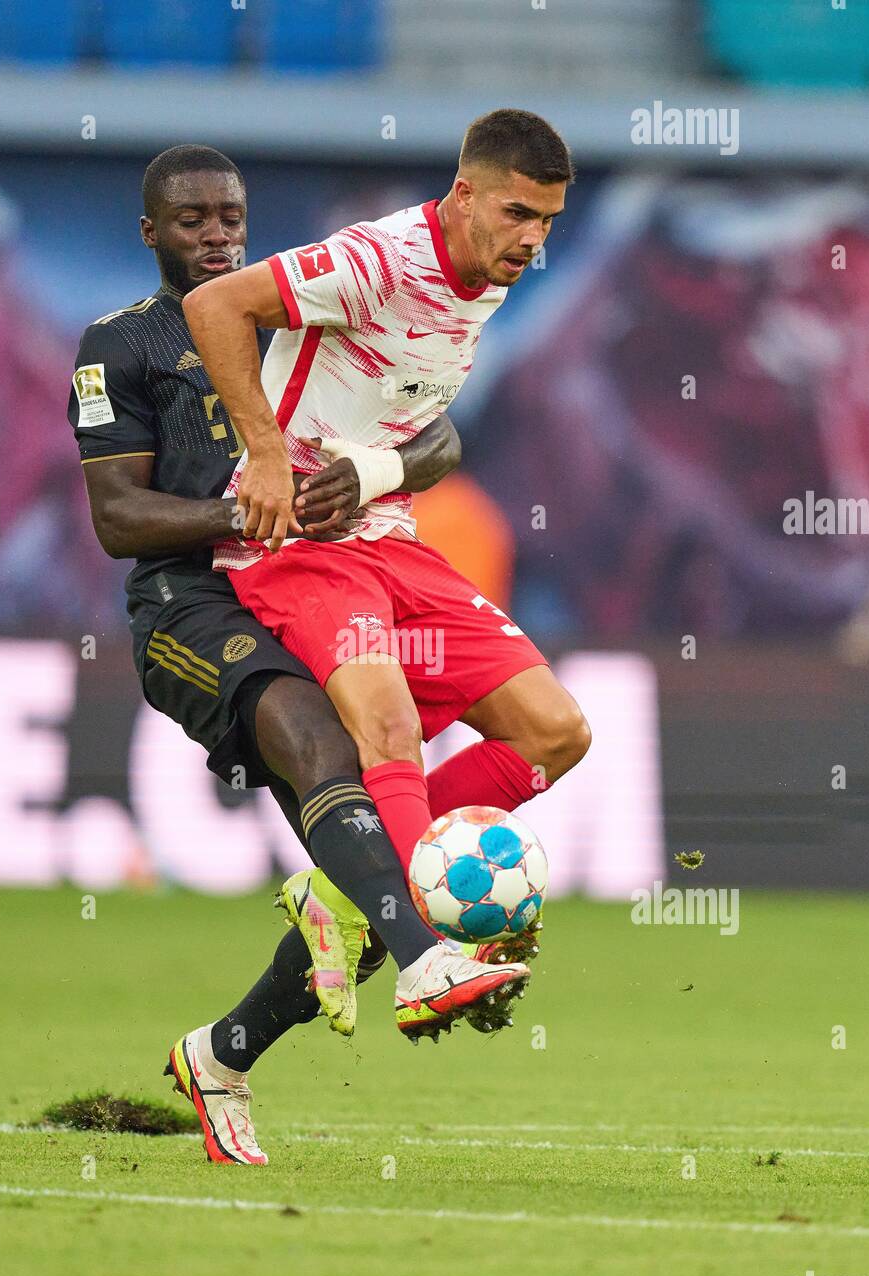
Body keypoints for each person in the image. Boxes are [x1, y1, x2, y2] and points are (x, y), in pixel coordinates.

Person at [69, 145, 530, 1166]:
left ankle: (223, 1052)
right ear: (152, 234)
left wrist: (373, 468)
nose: (215, 237)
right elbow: (116, 516)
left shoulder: (296, 302)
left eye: (229, 218)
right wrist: (242, 506)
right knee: (330, 751)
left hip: (314, 580)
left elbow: (439, 434)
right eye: (191, 222)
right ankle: (425, 955)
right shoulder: (119, 345)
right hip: (190, 605)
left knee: (355, 864)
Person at [182, 108, 592, 980]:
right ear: (464, 193)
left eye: (549, 221)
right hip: (298, 547)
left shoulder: (486, 279)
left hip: (390, 540)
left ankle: (348, 890)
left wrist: (377, 473)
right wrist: (262, 454)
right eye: (518, 214)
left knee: (555, 733)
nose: (533, 240)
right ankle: (426, 953)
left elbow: (422, 422)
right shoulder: (379, 261)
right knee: (389, 724)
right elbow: (214, 303)